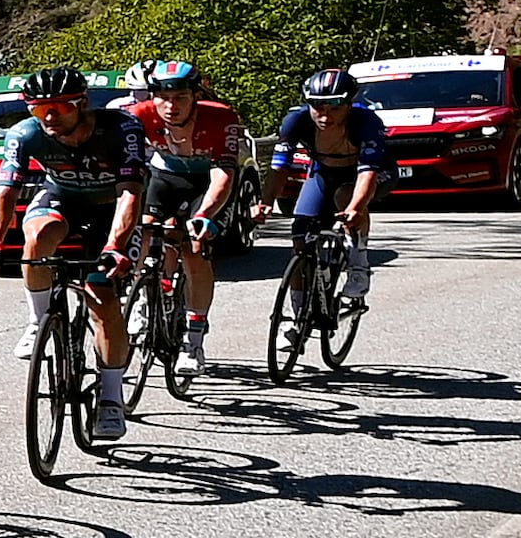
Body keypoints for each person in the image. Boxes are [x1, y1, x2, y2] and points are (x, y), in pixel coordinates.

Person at [0, 61, 153, 441]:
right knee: (37, 238)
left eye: (61, 107)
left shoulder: (122, 129)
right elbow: (4, 194)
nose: (51, 116)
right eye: (40, 109)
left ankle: (110, 397)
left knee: (101, 295)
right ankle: (38, 321)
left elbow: (129, 195)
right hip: (64, 196)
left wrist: (114, 248)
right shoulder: (24, 135)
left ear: (83, 103)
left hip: (113, 206)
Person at [125, 60, 248, 336]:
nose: (171, 105)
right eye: (163, 98)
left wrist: (204, 215)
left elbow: (223, 174)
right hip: (166, 175)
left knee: (194, 249)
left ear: (196, 96)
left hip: (208, 180)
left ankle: (194, 335)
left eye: (180, 97)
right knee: (143, 228)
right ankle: (141, 297)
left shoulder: (220, 116)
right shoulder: (138, 115)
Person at [272, 63, 393, 268]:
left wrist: (356, 208)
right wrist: (265, 202)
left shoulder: (366, 121)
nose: (325, 116)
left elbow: (368, 172)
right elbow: (279, 168)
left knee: (346, 197)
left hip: (368, 174)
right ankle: (300, 299)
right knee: (300, 239)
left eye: (335, 108)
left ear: (349, 104)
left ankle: (358, 263)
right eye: (318, 107)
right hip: (324, 173)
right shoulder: (296, 120)